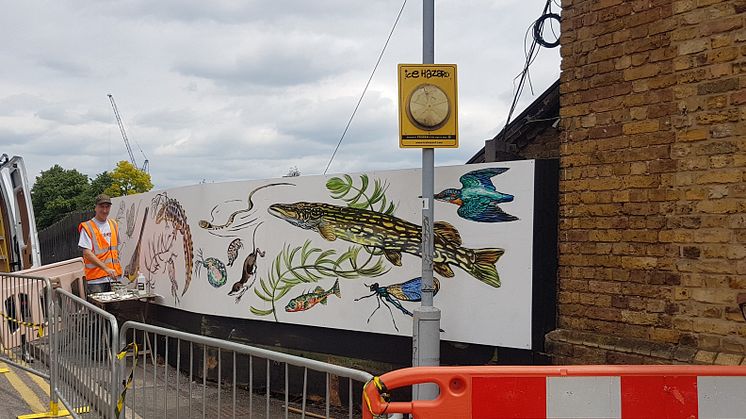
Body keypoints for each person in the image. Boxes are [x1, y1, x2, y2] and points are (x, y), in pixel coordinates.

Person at [78, 193, 123, 295]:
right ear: (96, 207)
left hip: (114, 277)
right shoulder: (88, 227)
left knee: (116, 310)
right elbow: (87, 253)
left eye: (107, 207)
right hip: (96, 280)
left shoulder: (113, 224)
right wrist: (106, 268)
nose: (104, 210)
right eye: (101, 207)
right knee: (99, 310)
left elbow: (114, 250)